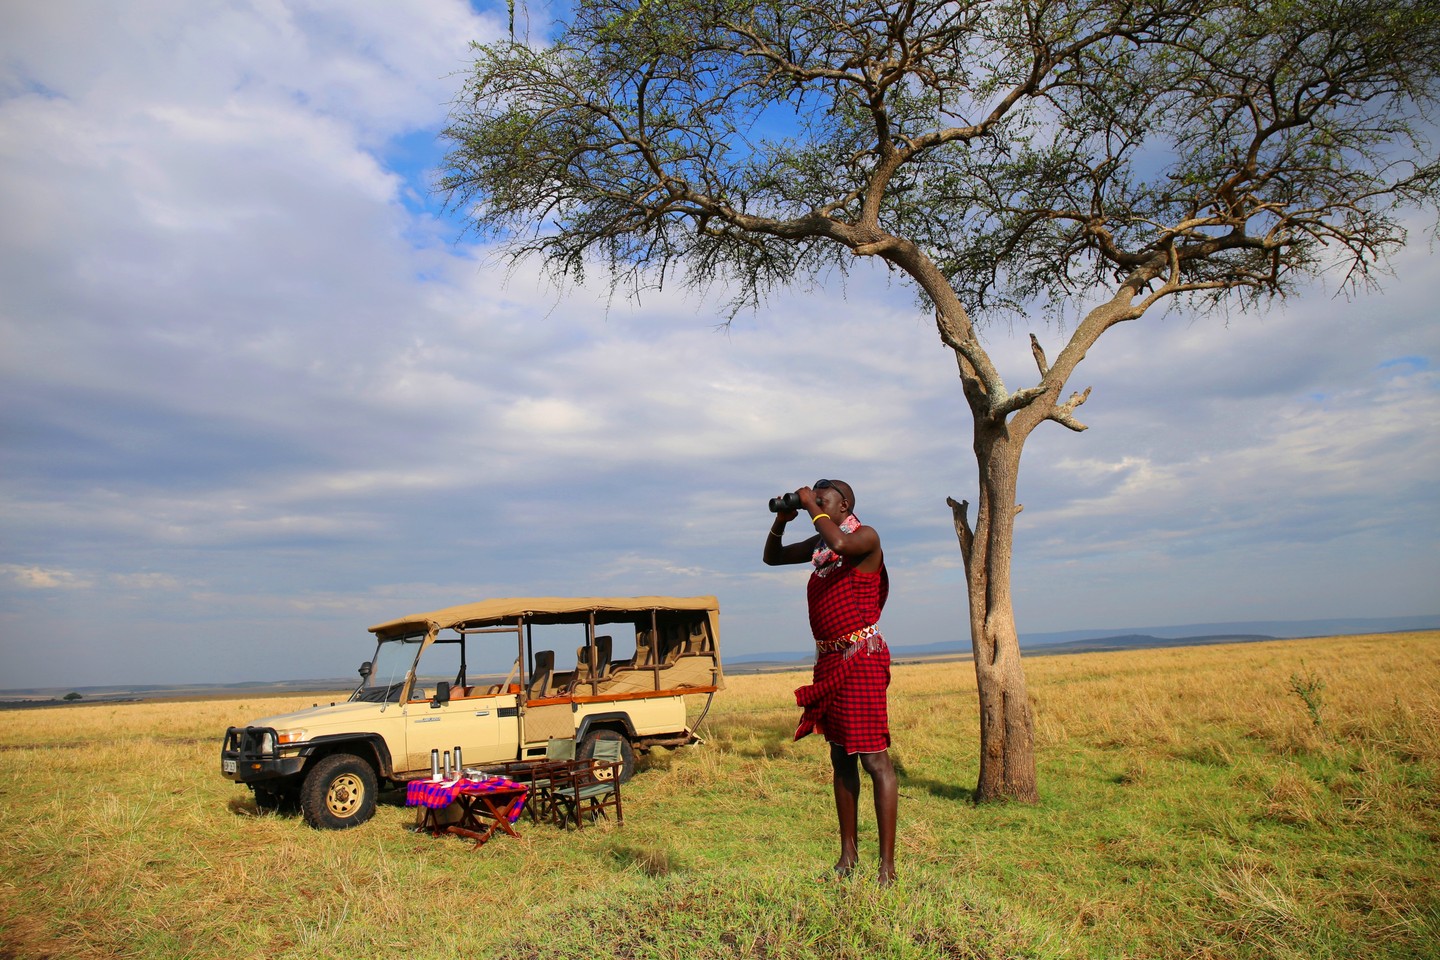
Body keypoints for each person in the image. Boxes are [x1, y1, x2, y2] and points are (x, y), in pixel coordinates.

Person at [763, 478, 897, 885]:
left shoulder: (864, 537)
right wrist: (783, 520)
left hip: (861, 658)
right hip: (830, 660)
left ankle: (886, 867)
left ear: (846, 505)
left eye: (824, 498)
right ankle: (847, 856)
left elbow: (839, 544)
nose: (815, 501)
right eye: (814, 496)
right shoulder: (821, 544)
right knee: (840, 757)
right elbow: (772, 558)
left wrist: (808, 504)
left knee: (874, 759)